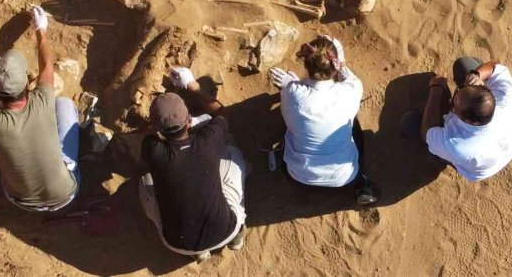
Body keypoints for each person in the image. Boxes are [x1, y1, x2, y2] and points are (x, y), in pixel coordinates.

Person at [0, 6, 81, 211]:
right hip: (67, 193)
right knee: (64, 104)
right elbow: (47, 67)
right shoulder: (42, 99)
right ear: (27, 86)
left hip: (21, 201)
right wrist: (41, 29)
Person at [140, 67, 247, 259]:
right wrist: (192, 85)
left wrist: (160, 126)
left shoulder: (152, 149)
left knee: (145, 181)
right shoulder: (208, 139)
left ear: (158, 129)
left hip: (177, 244)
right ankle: (236, 237)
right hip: (225, 230)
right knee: (234, 154)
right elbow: (222, 112)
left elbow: (150, 134)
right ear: (189, 120)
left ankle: (199, 253)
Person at [269, 35, 377, 205]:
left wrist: (292, 85)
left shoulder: (292, 93)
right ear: (334, 63)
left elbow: (296, 97)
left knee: (293, 123)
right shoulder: (351, 90)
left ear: (306, 63)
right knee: (352, 122)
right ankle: (362, 181)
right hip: (344, 180)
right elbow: (347, 77)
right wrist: (340, 61)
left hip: (298, 178)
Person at [420, 57, 512, 182]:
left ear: (468, 121)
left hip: (474, 167)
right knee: (464, 65)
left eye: (454, 104)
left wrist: (437, 88)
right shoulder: (508, 97)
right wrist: (476, 75)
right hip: (501, 148)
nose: (452, 98)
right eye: (461, 90)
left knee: (410, 124)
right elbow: (494, 67)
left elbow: (427, 133)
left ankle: (440, 158)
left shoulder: (459, 145)